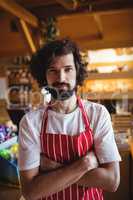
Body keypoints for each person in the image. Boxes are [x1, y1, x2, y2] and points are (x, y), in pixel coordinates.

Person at [18, 38, 121, 200]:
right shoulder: (30, 122)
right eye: (52, 70)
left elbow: (111, 181)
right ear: (44, 76)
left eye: (68, 69)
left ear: (77, 71)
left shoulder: (97, 114)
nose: (61, 78)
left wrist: (53, 168)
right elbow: (30, 191)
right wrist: (85, 164)